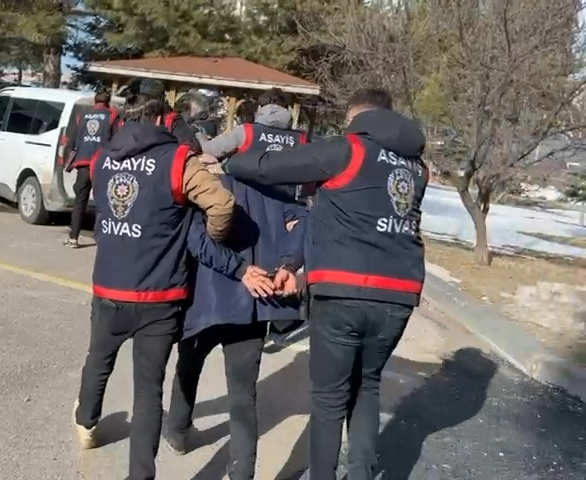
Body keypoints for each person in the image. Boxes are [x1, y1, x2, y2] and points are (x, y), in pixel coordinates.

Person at [221, 88, 429, 480]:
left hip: (343, 291)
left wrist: (230, 163)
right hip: (399, 294)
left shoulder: (348, 149)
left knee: (329, 398)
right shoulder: (416, 167)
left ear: (356, 117)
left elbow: (269, 167)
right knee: (367, 386)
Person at [73, 90, 236, 480]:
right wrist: (211, 239)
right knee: (148, 391)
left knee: (99, 358)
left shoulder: (101, 159)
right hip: (161, 295)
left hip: (110, 284)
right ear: (163, 119)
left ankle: (86, 422)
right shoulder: (178, 160)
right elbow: (222, 204)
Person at [164, 171, 307, 479]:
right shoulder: (274, 184)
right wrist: (290, 263)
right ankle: (242, 470)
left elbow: (195, 239)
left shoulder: (206, 182)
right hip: (253, 305)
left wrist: (240, 269)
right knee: (243, 395)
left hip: (206, 299)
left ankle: (177, 431)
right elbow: (304, 221)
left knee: (188, 367)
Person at [199, 87, 311, 349]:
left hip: (245, 206)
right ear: (288, 109)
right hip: (285, 210)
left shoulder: (247, 132)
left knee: (245, 266)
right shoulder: (301, 139)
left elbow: (209, 151)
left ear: (260, 108)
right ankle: (281, 323)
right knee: (284, 269)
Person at [63, 87, 120, 248]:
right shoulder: (112, 116)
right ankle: (102, 239)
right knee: (103, 203)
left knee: (79, 202)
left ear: (95, 100)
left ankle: (73, 238)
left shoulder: (83, 116)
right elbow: (117, 141)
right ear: (108, 101)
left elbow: (72, 141)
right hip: (102, 165)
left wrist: (68, 162)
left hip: (83, 164)